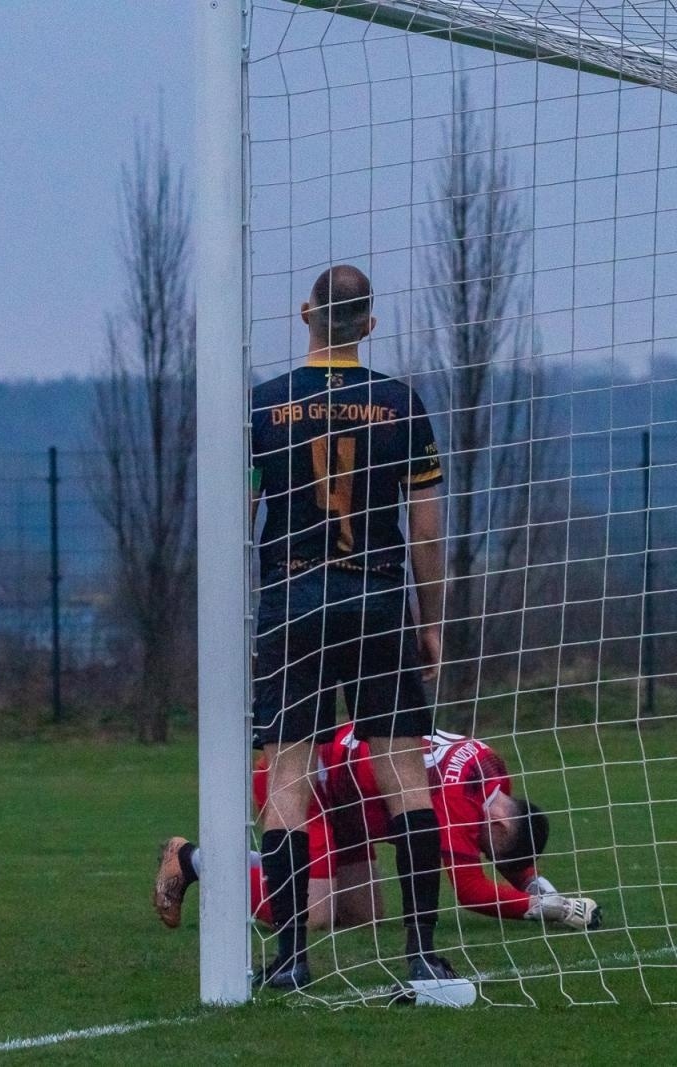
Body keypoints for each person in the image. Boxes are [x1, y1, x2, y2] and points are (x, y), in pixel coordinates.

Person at [247, 264, 456, 995]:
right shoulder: (400, 402)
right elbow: (425, 528)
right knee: (403, 773)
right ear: (370, 326)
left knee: (287, 777)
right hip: (374, 598)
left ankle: (292, 957)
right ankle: (423, 953)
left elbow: (242, 518)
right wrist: (430, 619)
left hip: (291, 597)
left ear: (305, 315)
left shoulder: (265, 406)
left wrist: (253, 613)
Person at [153, 722, 600, 933]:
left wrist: (539, 886)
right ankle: (192, 859)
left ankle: (235, 866)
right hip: (306, 784)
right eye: (490, 850)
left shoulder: (493, 773)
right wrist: (548, 908)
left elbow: (510, 849)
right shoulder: (459, 805)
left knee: (364, 916)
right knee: (314, 915)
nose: (483, 853)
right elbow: (469, 891)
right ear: (498, 825)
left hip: (350, 808)